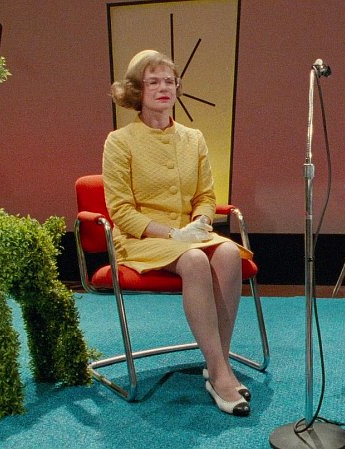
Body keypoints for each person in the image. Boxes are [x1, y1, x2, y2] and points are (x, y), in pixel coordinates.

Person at [104, 50, 253, 416]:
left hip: (190, 233)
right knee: (194, 261)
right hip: (143, 238)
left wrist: (200, 223)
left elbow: (206, 196)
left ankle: (217, 362)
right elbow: (120, 211)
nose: (163, 88)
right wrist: (173, 235)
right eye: (153, 82)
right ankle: (221, 373)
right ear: (137, 90)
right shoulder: (119, 141)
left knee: (229, 253)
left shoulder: (193, 137)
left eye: (169, 81)